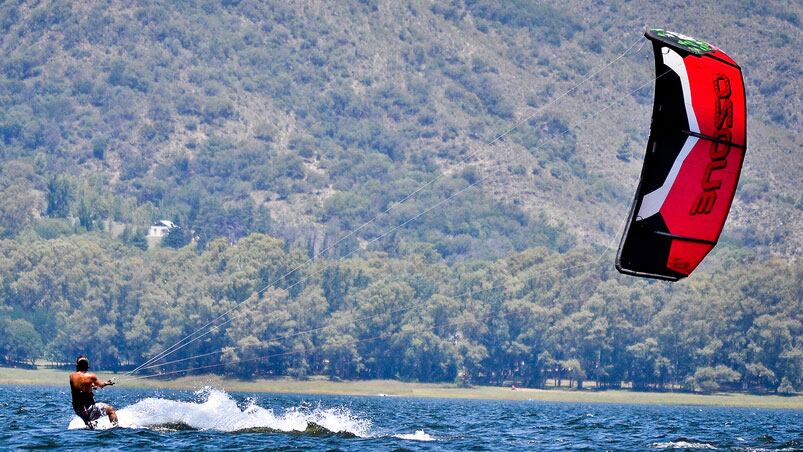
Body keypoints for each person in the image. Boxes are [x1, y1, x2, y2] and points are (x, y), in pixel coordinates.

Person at [69, 355, 118, 429]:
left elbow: (81, 387)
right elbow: (101, 385)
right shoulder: (91, 377)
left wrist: (91, 387)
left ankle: (90, 424)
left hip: (78, 409)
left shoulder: (72, 376)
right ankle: (116, 429)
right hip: (89, 408)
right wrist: (108, 383)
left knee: (90, 424)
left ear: (77, 366)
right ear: (87, 366)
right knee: (110, 410)